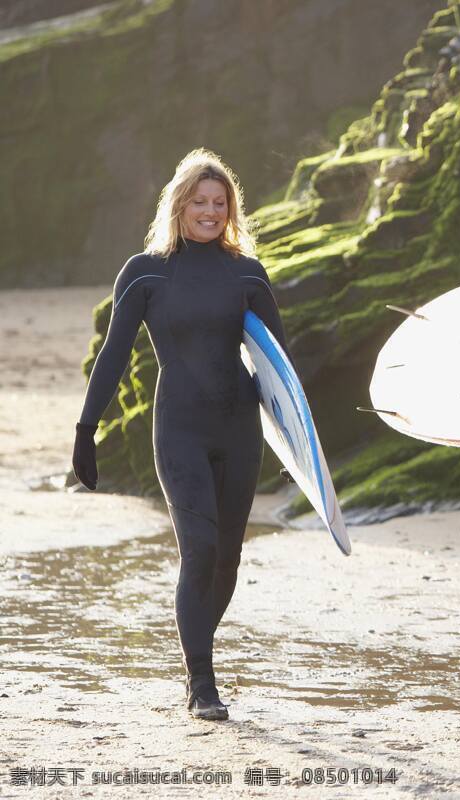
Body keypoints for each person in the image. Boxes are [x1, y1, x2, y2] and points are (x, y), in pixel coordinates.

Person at [72, 149, 287, 721]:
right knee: (201, 550)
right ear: (180, 203)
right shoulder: (146, 272)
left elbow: (277, 368)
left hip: (240, 429)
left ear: (230, 210)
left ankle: (197, 649)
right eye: (200, 201)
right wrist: (86, 429)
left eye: (220, 203)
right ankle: (202, 681)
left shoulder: (247, 273)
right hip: (181, 429)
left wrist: (300, 446)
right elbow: (115, 355)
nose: (210, 212)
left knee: (228, 560)